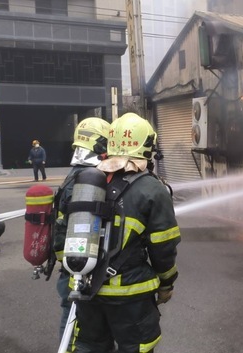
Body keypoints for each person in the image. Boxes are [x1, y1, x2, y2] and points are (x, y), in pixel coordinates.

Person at [70, 113, 180, 352]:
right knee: (136, 348)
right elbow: (164, 245)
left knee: (91, 346)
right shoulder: (152, 189)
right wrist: (167, 283)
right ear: (146, 146)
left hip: (86, 286)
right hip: (130, 295)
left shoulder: (89, 181)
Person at [51, 117, 110, 336]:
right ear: (100, 145)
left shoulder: (74, 174)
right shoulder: (89, 179)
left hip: (71, 263)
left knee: (77, 325)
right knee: (75, 330)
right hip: (78, 266)